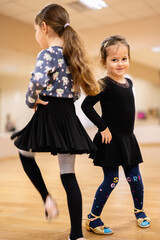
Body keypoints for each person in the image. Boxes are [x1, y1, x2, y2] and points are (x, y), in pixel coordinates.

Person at [11, 4, 101, 240]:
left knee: (23, 151)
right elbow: (78, 91)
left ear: (44, 27)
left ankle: (47, 199)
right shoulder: (72, 56)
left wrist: (31, 101)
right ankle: (76, 235)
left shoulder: (47, 54)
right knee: (68, 173)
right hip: (68, 115)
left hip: (48, 111)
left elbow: (37, 80)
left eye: (35, 31)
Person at [81, 35, 151, 235]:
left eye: (124, 58)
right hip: (110, 140)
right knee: (112, 180)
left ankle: (140, 212)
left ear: (129, 58)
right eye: (114, 59)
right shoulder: (104, 84)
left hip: (128, 140)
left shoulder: (129, 82)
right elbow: (87, 106)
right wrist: (103, 127)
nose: (120, 63)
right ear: (104, 62)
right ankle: (93, 219)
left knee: (135, 178)